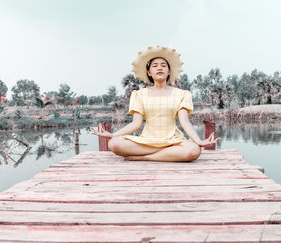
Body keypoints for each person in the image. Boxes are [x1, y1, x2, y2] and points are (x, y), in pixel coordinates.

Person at [91, 44, 220, 161]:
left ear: (169, 71)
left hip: (173, 141)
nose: (160, 68)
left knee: (193, 150)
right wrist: (113, 134)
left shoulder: (182, 94)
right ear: (149, 72)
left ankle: (145, 158)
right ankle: (167, 154)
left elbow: (184, 122)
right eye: (155, 65)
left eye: (164, 65)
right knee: (114, 143)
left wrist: (198, 141)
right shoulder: (139, 94)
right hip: (146, 141)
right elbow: (136, 124)